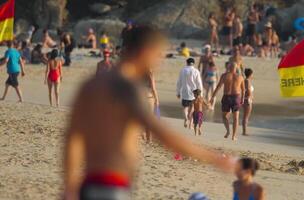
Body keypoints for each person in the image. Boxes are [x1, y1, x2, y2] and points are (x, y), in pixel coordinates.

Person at [63, 26, 235, 200]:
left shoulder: (91, 84)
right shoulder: (128, 88)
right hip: (112, 184)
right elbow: (162, 134)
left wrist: (69, 185)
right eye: (157, 55)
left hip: (89, 182)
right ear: (145, 52)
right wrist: (214, 159)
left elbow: (72, 138)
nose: (158, 62)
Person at [210, 62, 245, 140]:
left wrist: (213, 96)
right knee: (236, 118)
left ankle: (228, 131)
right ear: (236, 68)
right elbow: (243, 90)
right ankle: (234, 136)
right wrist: (242, 99)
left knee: (224, 116)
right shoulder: (240, 77)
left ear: (229, 67)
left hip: (226, 97)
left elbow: (218, 87)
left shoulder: (224, 75)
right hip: (236, 97)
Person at [177, 58, 203, 128]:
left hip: (185, 91)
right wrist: (200, 93)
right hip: (194, 92)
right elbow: (199, 83)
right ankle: (190, 124)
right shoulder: (195, 71)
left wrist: (178, 92)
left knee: (185, 107)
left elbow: (179, 82)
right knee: (192, 108)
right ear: (193, 63)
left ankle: (186, 117)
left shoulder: (182, 70)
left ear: (187, 63)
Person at [143, 70, 160, 143]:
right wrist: (157, 99)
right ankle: (149, 139)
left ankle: (143, 134)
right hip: (149, 98)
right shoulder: (150, 74)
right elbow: (153, 88)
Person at [242, 69, 254, 136]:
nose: (253, 75)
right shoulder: (247, 81)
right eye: (252, 74)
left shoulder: (245, 80)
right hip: (247, 100)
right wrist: (250, 97)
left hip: (246, 100)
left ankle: (244, 131)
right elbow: (248, 92)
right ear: (250, 74)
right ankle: (244, 132)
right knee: (246, 116)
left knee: (246, 116)